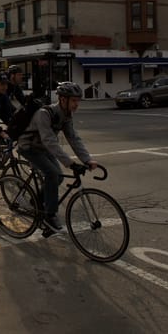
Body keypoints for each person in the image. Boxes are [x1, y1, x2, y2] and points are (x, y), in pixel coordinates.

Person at [17, 81, 97, 233]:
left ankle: (36, 201)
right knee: (52, 173)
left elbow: (73, 138)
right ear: (62, 99)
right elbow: (50, 140)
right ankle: (49, 215)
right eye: (73, 100)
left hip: (43, 148)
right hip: (28, 147)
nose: (76, 104)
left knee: (58, 176)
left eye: (78, 100)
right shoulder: (44, 114)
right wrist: (70, 163)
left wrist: (87, 159)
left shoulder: (66, 116)